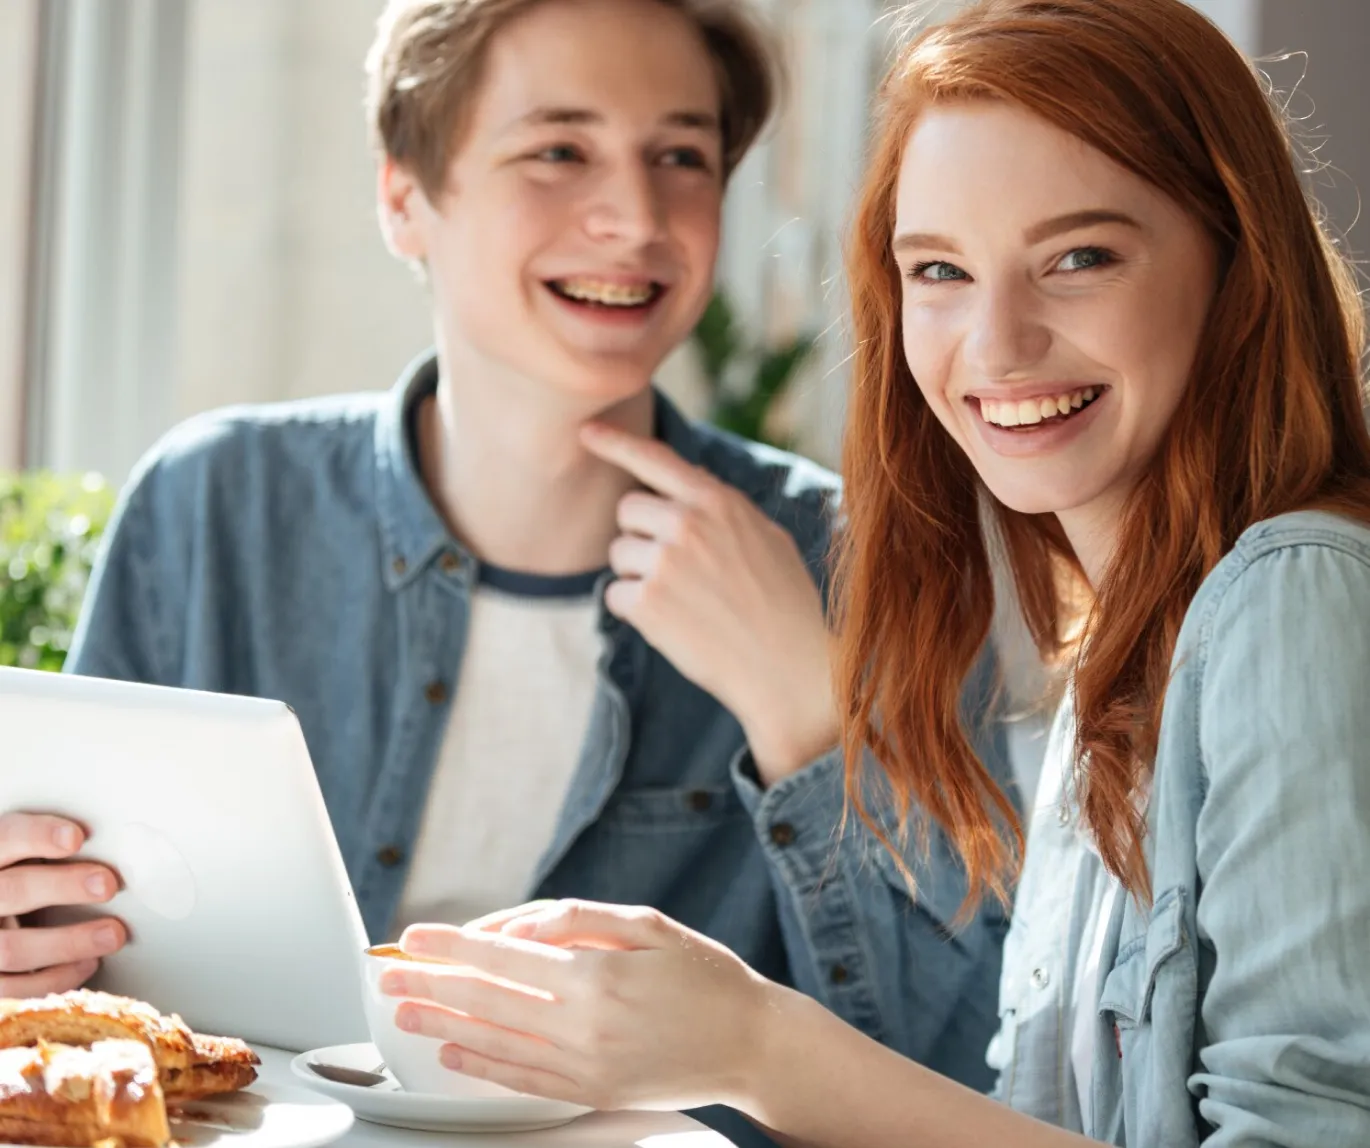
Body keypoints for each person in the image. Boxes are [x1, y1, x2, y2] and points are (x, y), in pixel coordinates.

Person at [0, 0, 1013, 1142]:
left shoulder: (855, 563)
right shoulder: (213, 506)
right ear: (403, 196)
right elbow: (72, 978)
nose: (635, 217)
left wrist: (799, 709)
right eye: (558, 150)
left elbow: (963, 1066)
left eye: (679, 155)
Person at [373, 0, 1370, 1143]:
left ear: (1235, 260)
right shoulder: (1111, 651)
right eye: (939, 270)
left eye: (1078, 257)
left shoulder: (1292, 593)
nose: (994, 344)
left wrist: (753, 1043)